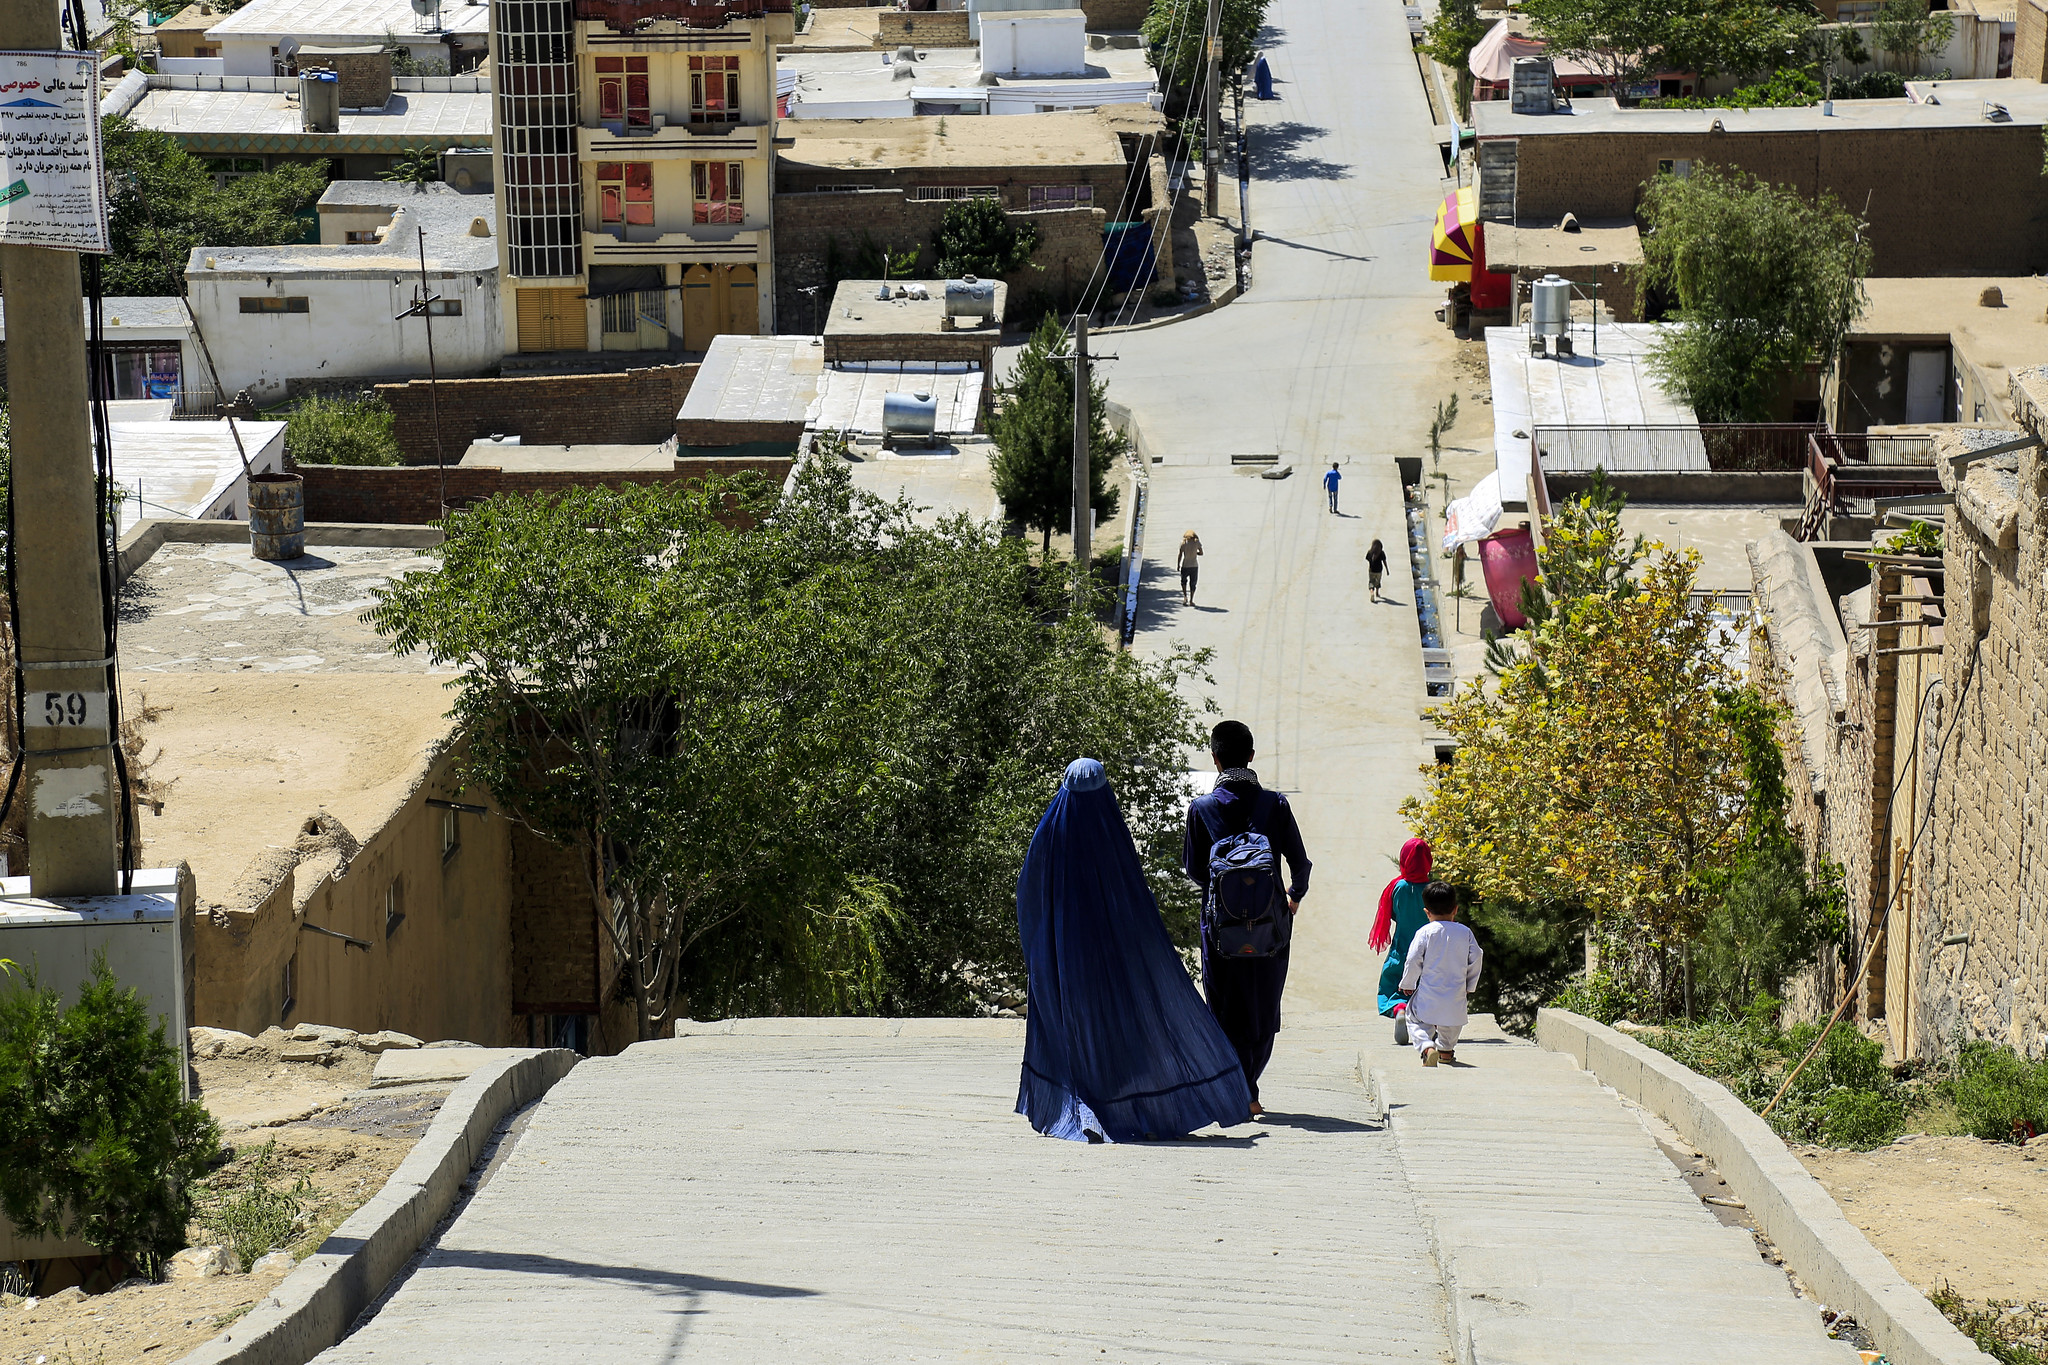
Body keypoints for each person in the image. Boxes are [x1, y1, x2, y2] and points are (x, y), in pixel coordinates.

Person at [1016, 758, 1253, 1142]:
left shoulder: (1051, 831)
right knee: (1118, 1022)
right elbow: (1132, 893)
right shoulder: (1109, 829)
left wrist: (1044, 946)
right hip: (1113, 951)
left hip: (1068, 956)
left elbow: (1028, 890)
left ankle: (1086, 1104)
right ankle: (1124, 1105)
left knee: (1080, 1025)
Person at [1183, 721, 1311, 1115]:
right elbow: (1300, 863)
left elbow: (1193, 870)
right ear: (1251, 756)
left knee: (1224, 1005)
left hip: (1220, 928)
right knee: (1264, 1004)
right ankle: (1251, 1087)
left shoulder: (1202, 809)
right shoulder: (1275, 804)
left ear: (1215, 757)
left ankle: (1235, 1088)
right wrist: (1292, 898)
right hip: (1271, 925)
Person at [1397, 881, 1483, 1066]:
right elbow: (1477, 957)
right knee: (1451, 1024)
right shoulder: (1465, 933)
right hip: (1456, 993)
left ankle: (1427, 1048)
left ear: (1427, 912)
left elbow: (1413, 959)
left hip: (1429, 991)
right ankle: (1445, 1051)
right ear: (1455, 909)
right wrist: (1470, 985)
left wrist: (1408, 983)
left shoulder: (1425, 932)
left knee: (1414, 1017)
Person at [1371, 836, 1433, 1044]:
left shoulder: (1397, 887)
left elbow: (1393, 914)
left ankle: (1399, 1008)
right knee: (1425, 984)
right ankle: (1424, 1024)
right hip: (1429, 948)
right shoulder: (1433, 889)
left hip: (1402, 945)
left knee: (1395, 984)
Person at [1178, 530, 1204, 606]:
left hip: (1185, 565)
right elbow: (1201, 553)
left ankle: (1185, 597)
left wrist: (1178, 564)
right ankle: (1191, 600)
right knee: (1193, 583)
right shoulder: (1197, 542)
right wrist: (1195, 553)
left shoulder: (1183, 543)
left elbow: (1180, 555)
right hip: (1194, 565)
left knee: (1183, 582)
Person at [1366, 539, 1388, 603]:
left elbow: (1368, 560)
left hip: (1372, 570)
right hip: (1379, 570)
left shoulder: (1370, 552)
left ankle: (1372, 592)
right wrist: (1387, 570)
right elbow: (1384, 561)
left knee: (1371, 582)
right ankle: (1377, 593)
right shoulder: (1381, 553)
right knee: (1378, 581)